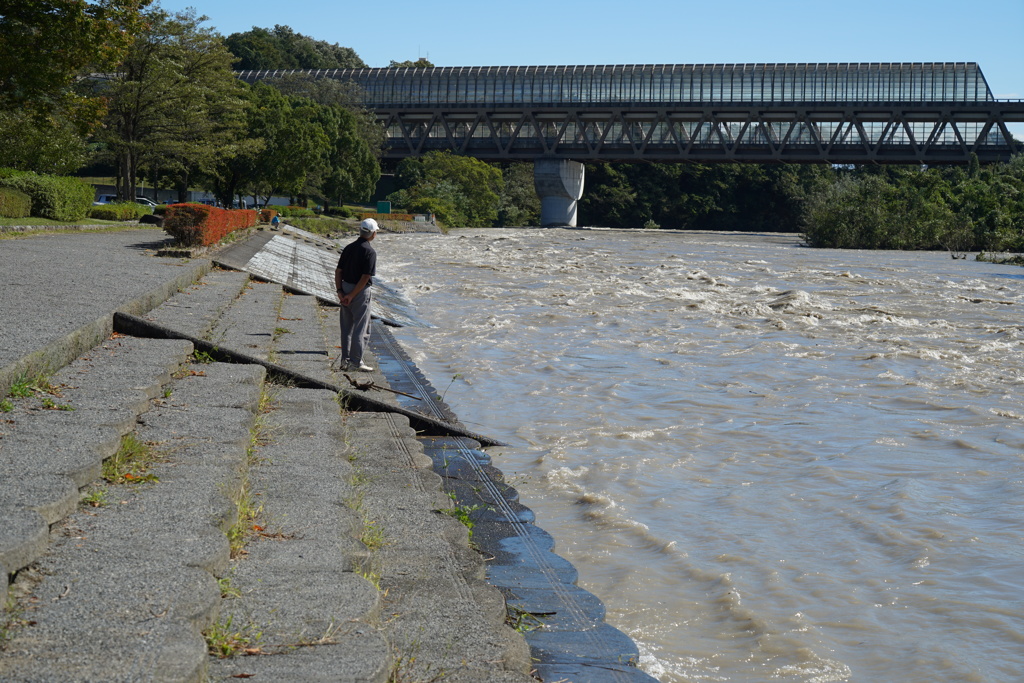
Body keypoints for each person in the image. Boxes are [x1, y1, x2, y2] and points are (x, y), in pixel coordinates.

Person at [334, 218, 379, 372]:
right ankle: (355, 362)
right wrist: (352, 295)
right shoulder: (370, 252)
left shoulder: (348, 248)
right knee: (361, 327)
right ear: (373, 233)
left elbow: (338, 271)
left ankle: (345, 361)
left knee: (346, 327)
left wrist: (340, 291)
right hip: (359, 292)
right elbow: (365, 277)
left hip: (345, 287)